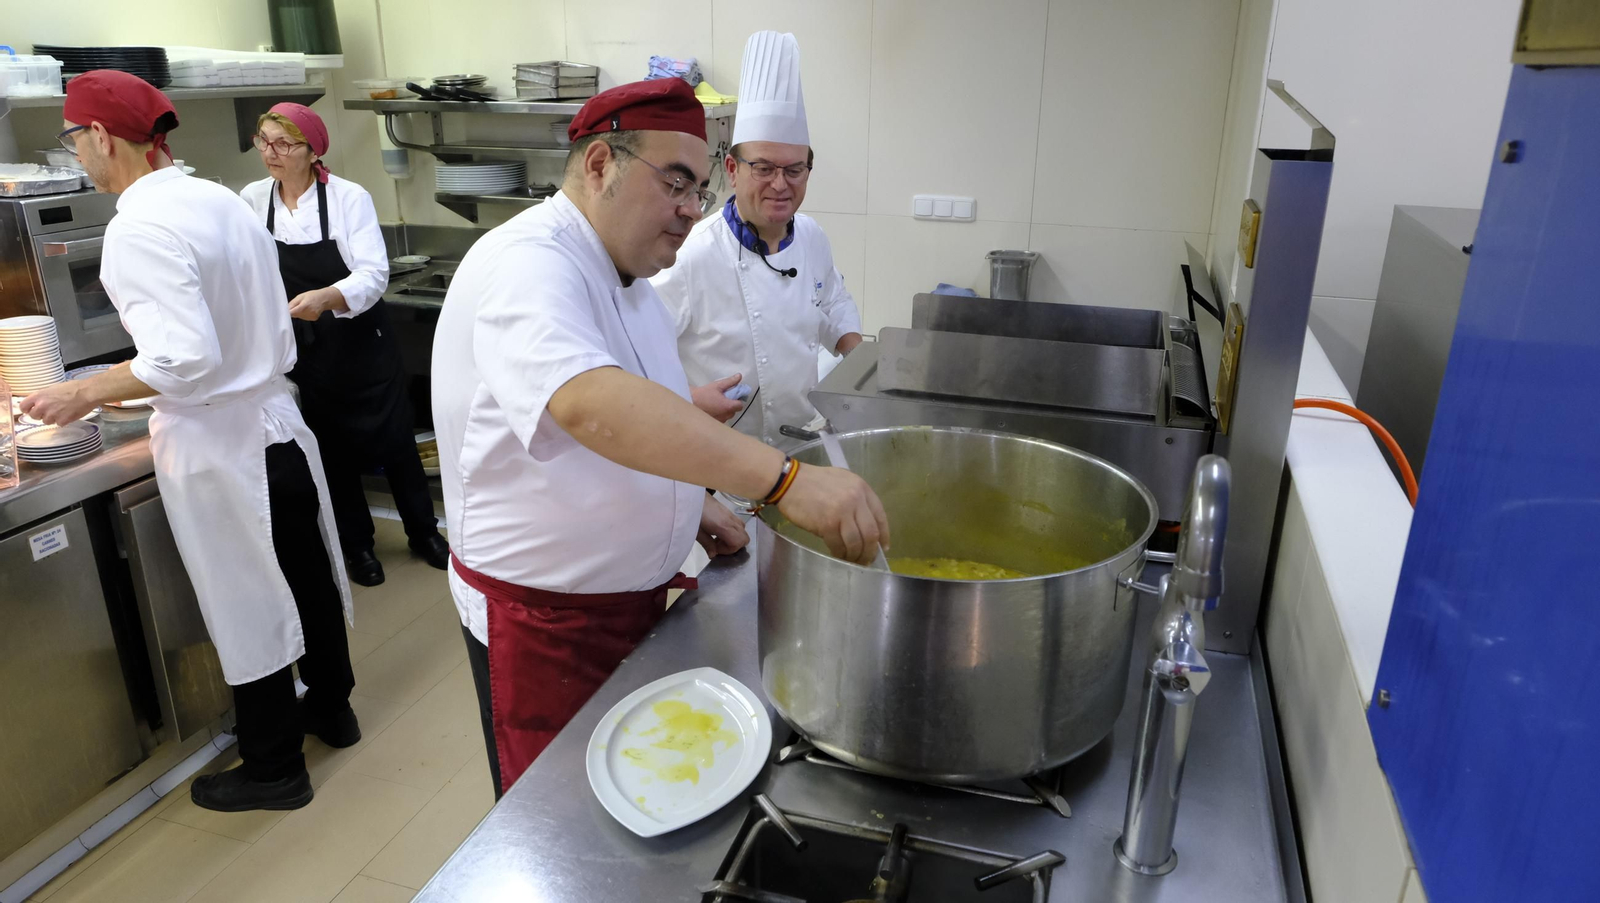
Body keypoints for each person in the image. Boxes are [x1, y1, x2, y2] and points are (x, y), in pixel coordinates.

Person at [431, 77, 889, 798]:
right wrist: (786, 481)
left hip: (625, 604)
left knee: (627, 805)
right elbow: (589, 403)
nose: (688, 209)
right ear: (599, 165)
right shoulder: (526, 262)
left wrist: (686, 502)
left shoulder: (634, 280)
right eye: (675, 182)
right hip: (545, 621)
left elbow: (638, 418)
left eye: (697, 189)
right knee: (561, 826)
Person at [22, 71, 358, 812]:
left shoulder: (136, 227)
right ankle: (333, 709)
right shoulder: (218, 198)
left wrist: (81, 390)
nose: (76, 153)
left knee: (245, 599)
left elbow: (181, 360)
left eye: (73, 139)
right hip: (276, 424)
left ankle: (275, 767)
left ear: (102, 136)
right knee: (305, 574)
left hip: (221, 442)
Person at [241, 104, 450, 587]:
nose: (270, 153)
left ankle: (424, 532)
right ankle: (356, 545)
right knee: (330, 450)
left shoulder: (346, 198)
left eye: (284, 144)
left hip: (360, 339)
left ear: (313, 151)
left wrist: (329, 297)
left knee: (397, 442)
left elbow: (373, 274)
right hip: (306, 347)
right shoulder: (253, 199)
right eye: (264, 141)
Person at [653, 31, 863, 449]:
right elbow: (635, 360)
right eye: (763, 168)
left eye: (794, 170)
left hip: (803, 443)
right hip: (719, 458)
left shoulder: (811, 237)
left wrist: (863, 366)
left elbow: (833, 303)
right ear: (732, 169)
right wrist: (689, 400)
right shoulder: (690, 256)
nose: (780, 185)